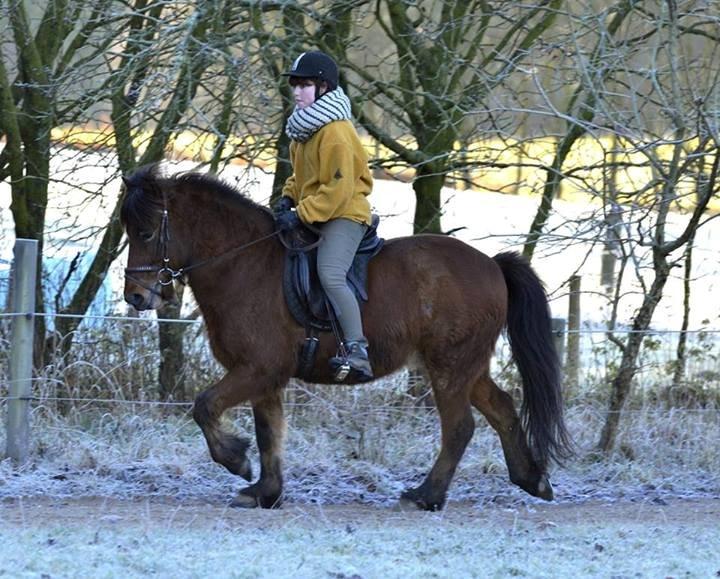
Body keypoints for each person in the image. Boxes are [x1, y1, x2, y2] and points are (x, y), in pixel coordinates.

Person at [273, 50, 374, 382]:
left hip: (343, 214)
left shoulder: (336, 133)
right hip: (316, 212)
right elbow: (301, 179)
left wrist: (301, 212)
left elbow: (338, 189)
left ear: (324, 88)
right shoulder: (304, 131)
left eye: (305, 85)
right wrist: (287, 199)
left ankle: (357, 349)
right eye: (296, 86)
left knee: (330, 273)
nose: (298, 92)